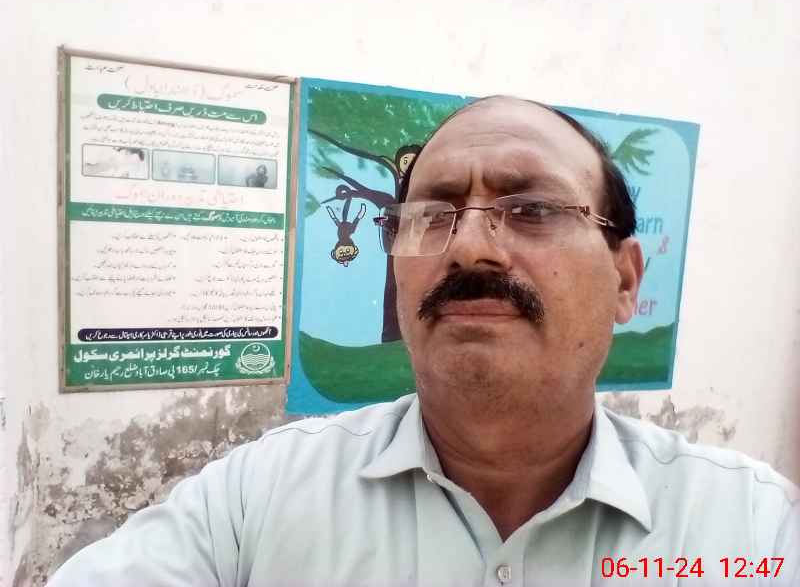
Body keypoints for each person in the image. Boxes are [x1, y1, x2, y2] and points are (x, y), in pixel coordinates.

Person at [48, 96, 798, 586]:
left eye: (532, 210)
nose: (470, 247)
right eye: (433, 215)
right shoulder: (258, 501)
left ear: (625, 279)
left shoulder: (753, 532)